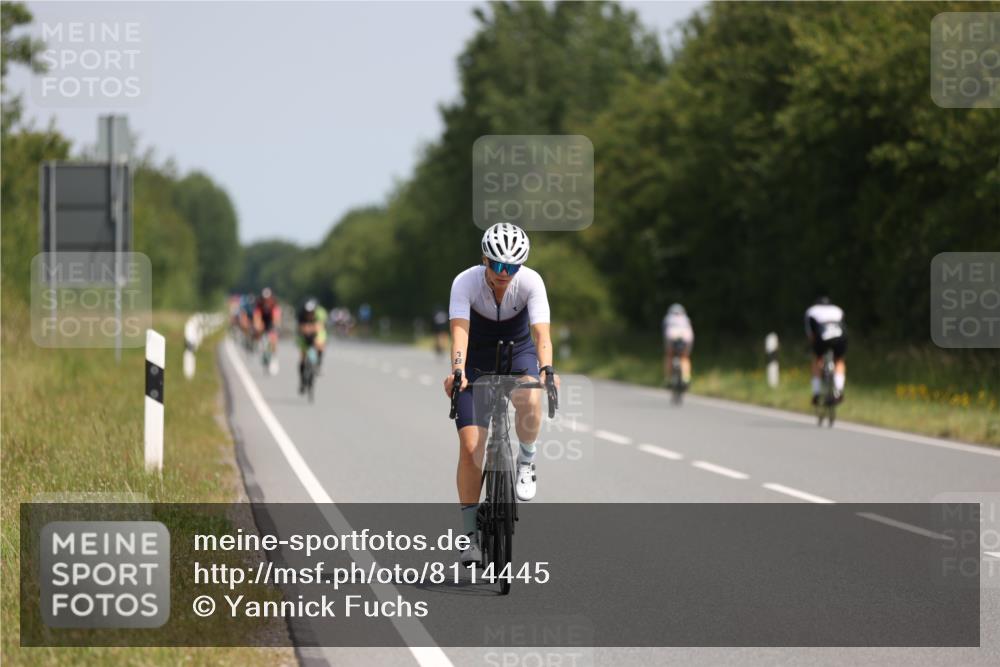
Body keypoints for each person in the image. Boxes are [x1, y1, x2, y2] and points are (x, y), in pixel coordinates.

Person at [443, 222, 558, 566]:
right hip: (476, 358)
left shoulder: (531, 282)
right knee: (471, 446)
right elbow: (459, 333)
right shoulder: (465, 282)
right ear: (485, 260)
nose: (504, 273)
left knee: (530, 397)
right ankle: (469, 536)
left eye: (512, 267)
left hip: (517, 350)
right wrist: (458, 371)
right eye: (498, 265)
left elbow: (541, 336)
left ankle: (526, 459)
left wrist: (547, 370)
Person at [805, 295, 847, 404]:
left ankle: (817, 393)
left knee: (817, 359)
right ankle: (838, 390)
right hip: (839, 336)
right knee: (839, 360)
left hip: (821, 335)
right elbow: (843, 326)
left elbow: (811, 334)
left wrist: (812, 348)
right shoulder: (838, 310)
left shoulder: (811, 311)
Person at [296, 297, 328, 392]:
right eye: (308, 313)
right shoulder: (301, 315)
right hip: (303, 335)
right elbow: (301, 328)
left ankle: (318, 364)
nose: (309, 315)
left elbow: (320, 327)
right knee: (302, 356)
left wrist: (312, 329)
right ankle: (302, 381)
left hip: (316, 332)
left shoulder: (319, 314)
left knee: (320, 343)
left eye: (311, 313)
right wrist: (306, 330)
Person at [662, 303, 694, 388]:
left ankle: (668, 378)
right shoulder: (686, 319)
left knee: (669, 356)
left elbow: (664, 332)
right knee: (685, 358)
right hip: (687, 338)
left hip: (671, 338)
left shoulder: (668, 318)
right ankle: (686, 378)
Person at [254, 287, 281, 360]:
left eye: (268, 298)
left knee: (273, 337)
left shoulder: (274, 304)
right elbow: (257, 315)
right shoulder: (259, 304)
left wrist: (276, 324)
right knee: (258, 328)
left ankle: (274, 357)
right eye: (264, 299)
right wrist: (257, 325)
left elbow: (276, 316)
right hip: (262, 320)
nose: (266, 301)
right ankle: (259, 344)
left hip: (271, 320)